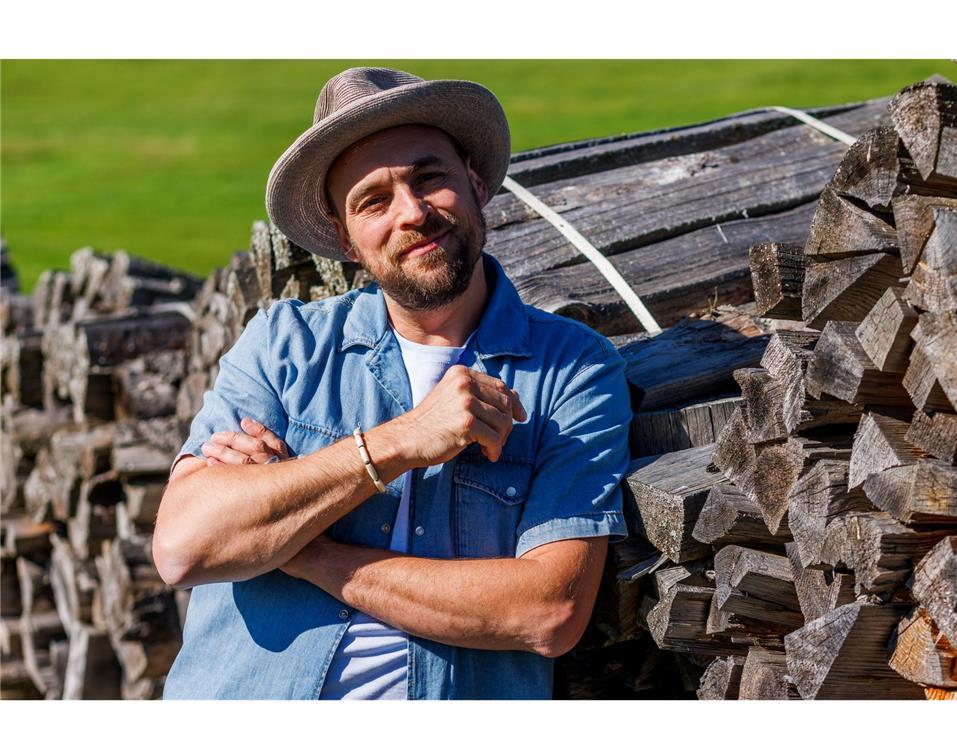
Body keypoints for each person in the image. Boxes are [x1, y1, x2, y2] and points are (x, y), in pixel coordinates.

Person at [152, 67, 632, 699]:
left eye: (429, 177)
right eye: (373, 201)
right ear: (345, 240)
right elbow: (183, 547)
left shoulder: (572, 368)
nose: (413, 213)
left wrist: (299, 547)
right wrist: (401, 441)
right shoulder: (285, 344)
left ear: (475, 181)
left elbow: (547, 612)